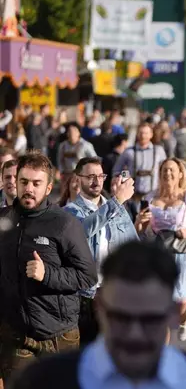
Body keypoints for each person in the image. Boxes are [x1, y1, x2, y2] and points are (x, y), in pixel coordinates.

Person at [7, 241, 186, 389]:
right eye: (121, 317)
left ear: (172, 313)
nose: (134, 333)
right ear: (100, 309)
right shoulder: (44, 381)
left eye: (149, 319)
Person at [0, 151, 97, 384]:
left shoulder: (63, 224)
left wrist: (47, 274)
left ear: (48, 187)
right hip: (17, 335)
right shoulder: (4, 221)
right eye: (24, 182)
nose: (29, 189)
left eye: (36, 183)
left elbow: (88, 276)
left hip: (58, 334)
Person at [63, 157, 139, 346]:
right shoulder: (69, 212)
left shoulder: (118, 210)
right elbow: (82, 231)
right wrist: (117, 200)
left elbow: (133, 246)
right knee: (85, 352)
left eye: (100, 176)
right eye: (90, 176)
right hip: (84, 296)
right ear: (78, 179)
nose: (96, 181)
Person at [134, 158, 186, 342]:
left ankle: (185, 316)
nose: (167, 174)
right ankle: (162, 355)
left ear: (180, 174)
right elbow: (141, 232)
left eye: (171, 170)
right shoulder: (150, 198)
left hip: (184, 253)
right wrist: (139, 221)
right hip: (158, 253)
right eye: (164, 171)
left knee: (180, 301)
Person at [112, 123, 168, 208]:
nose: (143, 136)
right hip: (133, 199)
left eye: (146, 133)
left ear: (151, 134)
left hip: (153, 197)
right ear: (137, 134)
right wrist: (126, 178)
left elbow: (165, 170)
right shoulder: (128, 152)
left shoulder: (159, 151)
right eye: (141, 133)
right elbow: (117, 170)